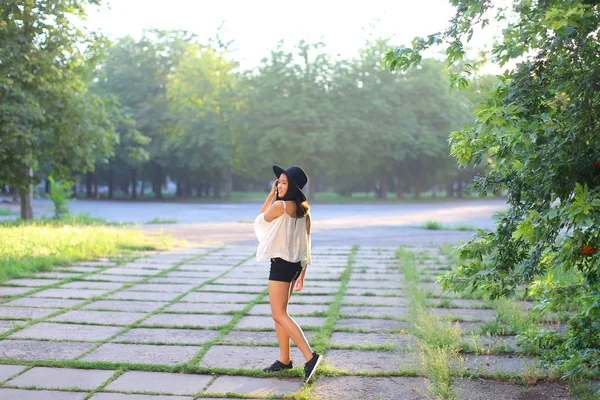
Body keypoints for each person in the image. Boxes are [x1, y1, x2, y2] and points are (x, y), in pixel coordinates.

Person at [253, 164, 323, 383]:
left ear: (292, 186)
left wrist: (271, 195)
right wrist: (302, 273)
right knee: (281, 312)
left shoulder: (280, 207)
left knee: (279, 314)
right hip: (293, 266)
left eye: (283, 183)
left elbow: (259, 220)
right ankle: (284, 359)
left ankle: (311, 357)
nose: (279, 186)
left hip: (281, 265)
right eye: (278, 183)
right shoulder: (305, 212)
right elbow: (306, 246)